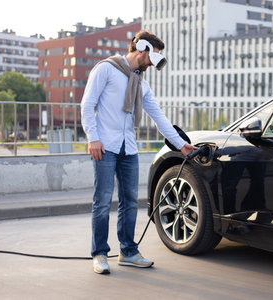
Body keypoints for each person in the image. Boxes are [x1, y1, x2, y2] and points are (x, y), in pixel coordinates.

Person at [81, 30, 195, 274]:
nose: (153, 64)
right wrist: (93, 138)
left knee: (130, 202)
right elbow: (87, 105)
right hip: (105, 146)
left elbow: (158, 116)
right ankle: (100, 254)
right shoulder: (106, 69)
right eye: (153, 56)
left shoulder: (142, 83)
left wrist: (180, 144)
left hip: (128, 148)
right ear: (142, 49)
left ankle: (128, 252)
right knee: (102, 202)